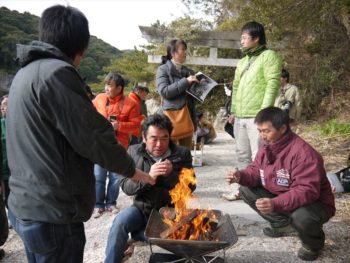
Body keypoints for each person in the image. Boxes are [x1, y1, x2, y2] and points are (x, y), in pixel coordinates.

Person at [6, 5, 155, 263]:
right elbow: (93, 135)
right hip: (53, 211)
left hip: (25, 202)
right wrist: (133, 170)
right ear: (81, 48)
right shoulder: (57, 74)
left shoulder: (23, 75)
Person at [226, 107, 335, 261]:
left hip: (314, 203)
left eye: (266, 131)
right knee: (245, 189)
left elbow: (307, 191)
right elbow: (256, 171)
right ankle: (283, 225)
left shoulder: (304, 154)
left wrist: (275, 203)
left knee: (302, 217)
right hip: (283, 195)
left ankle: (314, 243)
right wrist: (240, 176)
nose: (262, 136)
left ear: (283, 128)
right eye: (259, 131)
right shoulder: (266, 147)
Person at [104, 114, 195, 263]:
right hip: (141, 208)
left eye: (164, 138)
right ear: (144, 137)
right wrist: (148, 178)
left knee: (169, 239)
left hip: (170, 211)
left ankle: (139, 234)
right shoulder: (133, 152)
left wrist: (171, 174)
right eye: (154, 138)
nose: (159, 144)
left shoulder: (182, 153)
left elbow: (191, 186)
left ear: (169, 137)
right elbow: (126, 186)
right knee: (120, 222)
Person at [223, 21, 282, 201]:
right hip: (240, 116)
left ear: (256, 39)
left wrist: (264, 114)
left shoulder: (269, 56)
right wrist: (233, 111)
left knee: (260, 156)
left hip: (257, 117)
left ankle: (264, 193)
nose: (241, 41)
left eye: (244, 38)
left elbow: (273, 83)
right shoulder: (242, 61)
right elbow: (237, 86)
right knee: (242, 154)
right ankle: (244, 191)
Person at [92, 72, 142, 218]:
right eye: (106, 85)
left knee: (115, 177)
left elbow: (136, 126)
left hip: (119, 145)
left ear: (119, 88)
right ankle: (98, 205)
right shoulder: (99, 99)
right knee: (98, 176)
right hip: (100, 144)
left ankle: (111, 203)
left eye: (110, 85)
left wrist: (119, 125)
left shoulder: (131, 103)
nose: (106, 88)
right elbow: (88, 114)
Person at [156, 38, 199, 149]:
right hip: (170, 121)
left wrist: (202, 87)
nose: (185, 52)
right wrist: (186, 81)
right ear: (173, 53)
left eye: (185, 49)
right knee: (170, 156)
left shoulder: (189, 72)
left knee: (186, 156)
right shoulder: (163, 70)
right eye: (182, 49)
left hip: (187, 119)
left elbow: (192, 99)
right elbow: (164, 91)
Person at [0, 96, 10, 208]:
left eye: (6, 104)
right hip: (5, 172)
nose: (3, 108)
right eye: (2, 105)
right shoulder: (2, 123)